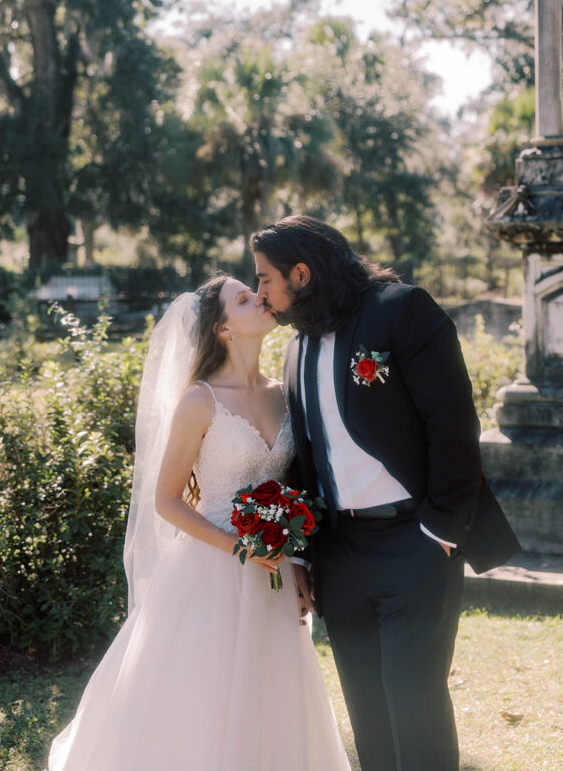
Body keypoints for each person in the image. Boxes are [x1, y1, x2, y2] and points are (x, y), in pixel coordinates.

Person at [47, 275, 351, 771]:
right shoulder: (200, 401)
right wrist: (238, 546)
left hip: (273, 572)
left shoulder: (283, 394)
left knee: (270, 695)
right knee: (203, 700)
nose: (261, 299)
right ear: (224, 330)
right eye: (244, 298)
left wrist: (294, 559)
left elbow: (297, 486)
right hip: (209, 573)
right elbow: (167, 500)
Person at [252, 215, 521, 771]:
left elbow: (452, 426)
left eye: (264, 279)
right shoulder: (296, 349)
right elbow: (305, 459)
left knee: (414, 705)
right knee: (369, 714)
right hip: (340, 553)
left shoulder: (401, 310)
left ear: (300, 274)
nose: (261, 294)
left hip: (415, 544)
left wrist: (439, 530)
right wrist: (303, 550)